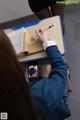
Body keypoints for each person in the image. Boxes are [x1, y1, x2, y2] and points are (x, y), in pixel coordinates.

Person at [29, 29, 71, 120]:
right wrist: (47, 42)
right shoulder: (41, 96)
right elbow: (60, 67)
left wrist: (31, 66)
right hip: (55, 109)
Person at [0, 31, 40, 120]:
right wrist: (49, 44)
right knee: (40, 68)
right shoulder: (39, 95)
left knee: (33, 69)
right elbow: (60, 69)